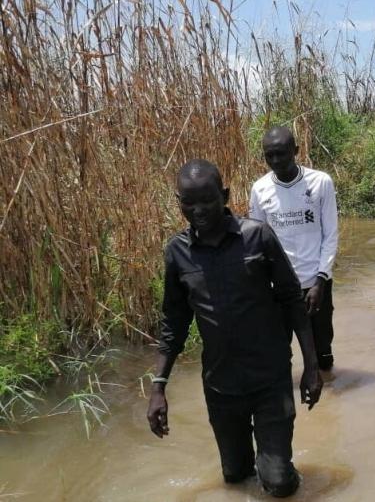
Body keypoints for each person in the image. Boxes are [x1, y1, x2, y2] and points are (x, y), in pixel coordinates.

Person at [147, 159, 322, 498]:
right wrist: (159, 387)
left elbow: (292, 302)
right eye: (188, 202)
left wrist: (312, 367)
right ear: (178, 202)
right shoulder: (177, 253)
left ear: (224, 195)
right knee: (235, 477)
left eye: (207, 199)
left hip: (269, 379)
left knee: (279, 484)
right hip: (221, 386)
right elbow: (174, 322)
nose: (198, 210)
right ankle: (265, 462)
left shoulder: (257, 237)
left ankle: (280, 466)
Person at [249, 127, 339, 372]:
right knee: (279, 353)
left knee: (322, 352)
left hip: (316, 283)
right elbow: (257, 240)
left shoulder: (321, 182)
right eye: (270, 155)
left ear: (296, 151)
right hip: (278, 287)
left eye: (282, 154)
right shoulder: (260, 189)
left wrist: (321, 280)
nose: (276, 161)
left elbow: (330, 235)